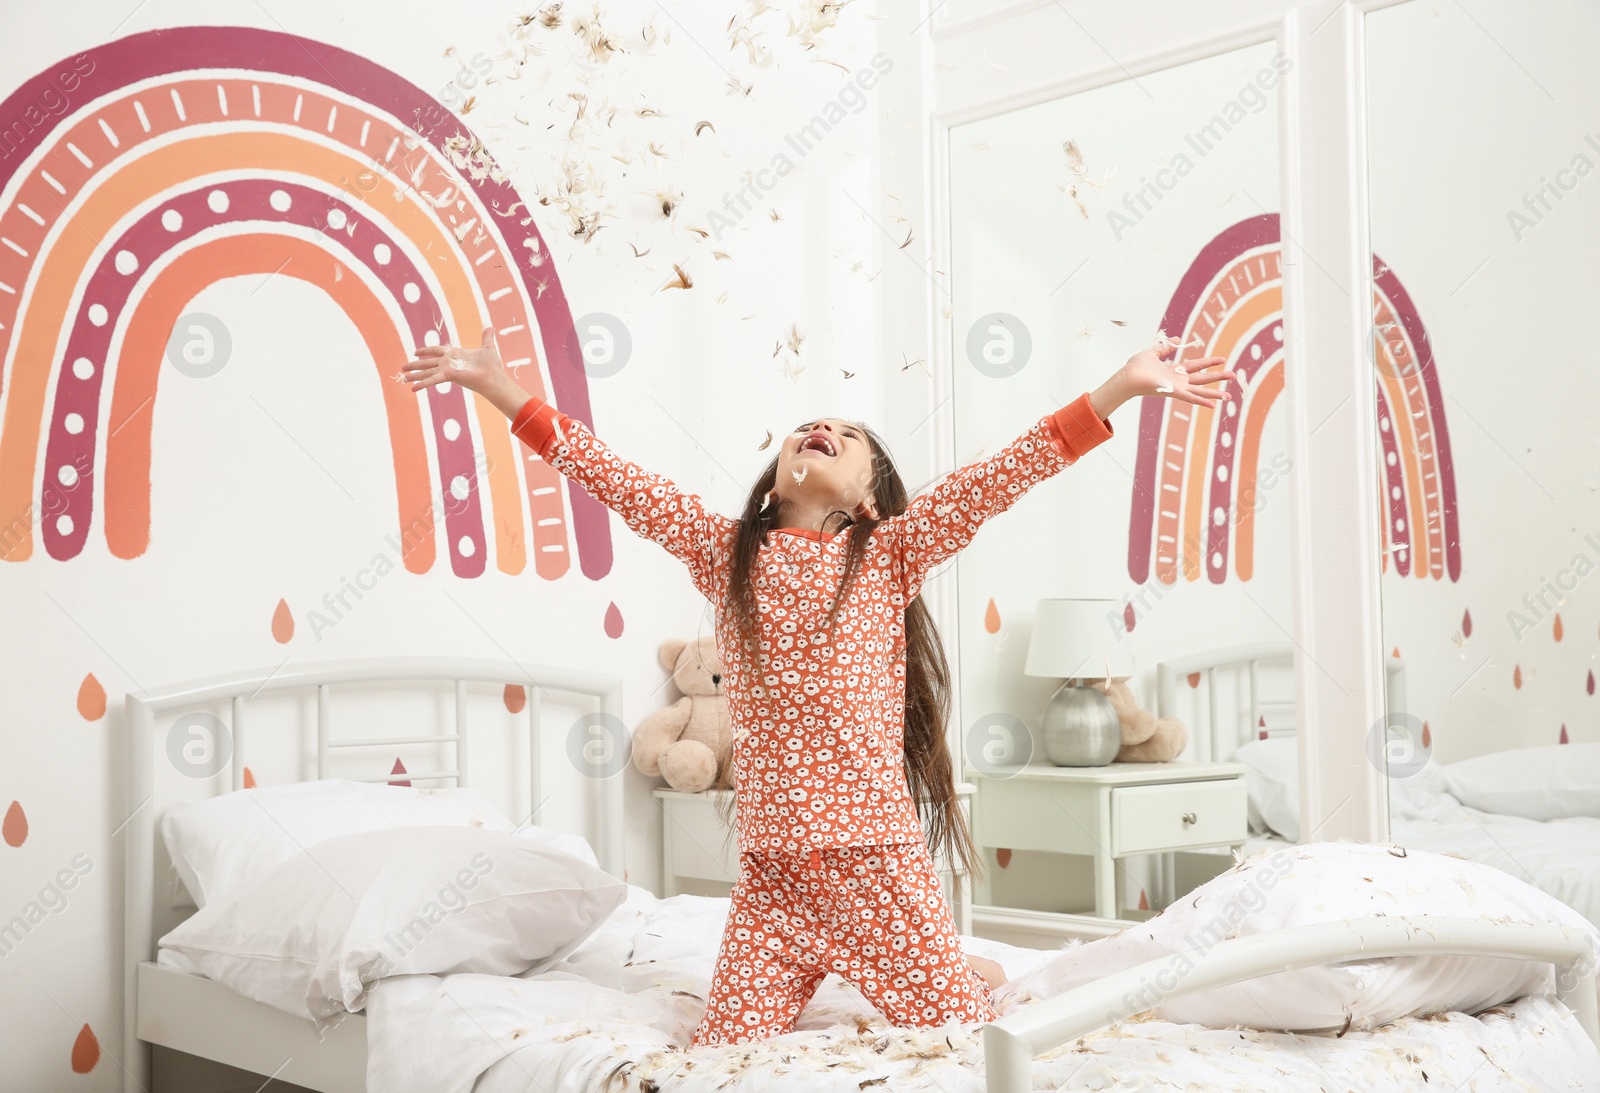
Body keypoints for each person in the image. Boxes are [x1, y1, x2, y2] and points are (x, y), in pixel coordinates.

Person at [399, 329, 1233, 1046]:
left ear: (871, 496)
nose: (820, 428)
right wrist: (501, 388)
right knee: (721, 1054)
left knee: (959, 1034)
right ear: (773, 482)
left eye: (846, 434)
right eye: (806, 427)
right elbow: (614, 478)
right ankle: (910, 962)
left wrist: (1121, 387)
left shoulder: (886, 555)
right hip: (772, 878)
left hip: (874, 860)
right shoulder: (723, 553)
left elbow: (1003, 476)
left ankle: (954, 965)